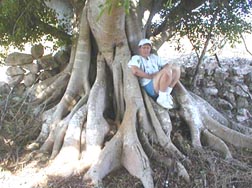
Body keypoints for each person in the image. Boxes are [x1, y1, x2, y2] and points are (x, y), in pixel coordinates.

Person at [128, 38, 181, 109]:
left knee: (176, 69)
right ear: (139, 49)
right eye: (144, 48)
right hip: (149, 85)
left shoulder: (153, 57)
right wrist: (150, 76)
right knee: (166, 71)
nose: (146, 50)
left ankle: (166, 94)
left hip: (159, 82)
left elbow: (166, 64)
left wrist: (163, 70)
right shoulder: (137, 58)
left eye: (148, 48)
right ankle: (161, 99)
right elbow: (135, 70)